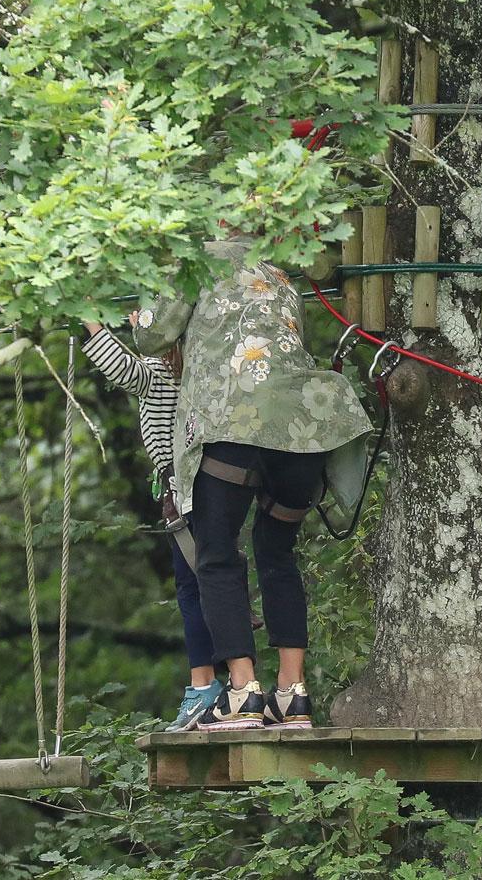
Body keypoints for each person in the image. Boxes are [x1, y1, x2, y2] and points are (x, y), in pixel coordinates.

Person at [134, 237, 372, 730]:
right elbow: (327, 261)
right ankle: (292, 694)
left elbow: (152, 338)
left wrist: (143, 297)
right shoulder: (283, 261)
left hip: (231, 426)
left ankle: (242, 692)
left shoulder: (194, 259)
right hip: (299, 428)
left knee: (216, 555)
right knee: (277, 551)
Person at [80, 316, 228, 732]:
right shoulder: (204, 365)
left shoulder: (162, 367)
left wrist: (93, 327)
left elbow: (126, 371)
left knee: (193, 586)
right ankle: (230, 682)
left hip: (182, 486)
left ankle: (205, 684)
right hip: (212, 480)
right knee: (214, 578)